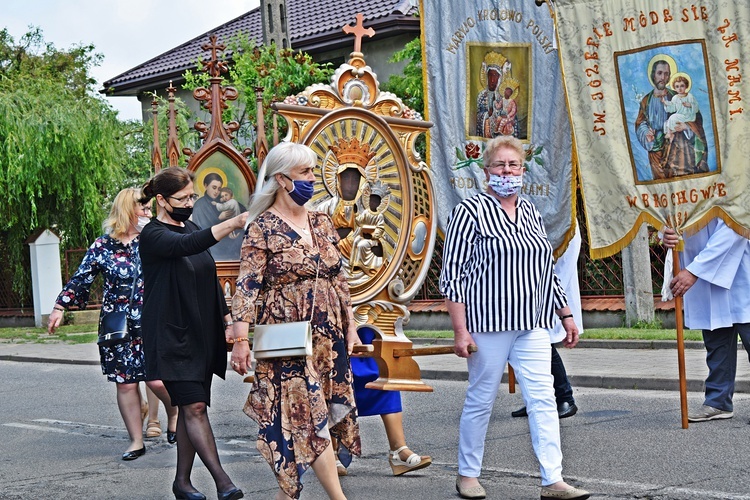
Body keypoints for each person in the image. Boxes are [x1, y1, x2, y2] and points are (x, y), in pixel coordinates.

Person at [440, 136, 589, 500]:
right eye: (500, 166)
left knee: (544, 398)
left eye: (514, 165)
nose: (507, 172)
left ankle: (553, 479)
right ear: (486, 171)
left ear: (523, 171)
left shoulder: (531, 211)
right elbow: (453, 275)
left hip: (532, 324)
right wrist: (460, 332)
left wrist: (565, 313)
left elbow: (546, 269)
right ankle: (468, 474)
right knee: (482, 399)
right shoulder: (469, 211)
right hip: (487, 324)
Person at [229, 142, 361, 500]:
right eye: (305, 172)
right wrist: (241, 341)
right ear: (282, 179)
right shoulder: (262, 226)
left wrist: (350, 325)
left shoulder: (320, 219)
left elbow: (339, 276)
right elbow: (247, 284)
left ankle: (286, 494)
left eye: (312, 171)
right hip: (285, 334)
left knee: (314, 414)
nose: (312, 179)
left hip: (328, 333)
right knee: (308, 413)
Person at [139, 167, 245, 500]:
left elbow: (208, 275)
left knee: (190, 408)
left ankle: (182, 482)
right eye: (182, 198)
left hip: (201, 333)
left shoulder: (192, 226)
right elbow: (188, 245)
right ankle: (222, 481)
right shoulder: (152, 234)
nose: (189, 203)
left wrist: (228, 319)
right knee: (195, 406)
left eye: (191, 197)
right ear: (161, 200)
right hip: (171, 336)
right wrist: (233, 222)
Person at [47, 187, 177, 460]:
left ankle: (174, 410)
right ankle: (136, 440)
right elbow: (82, 277)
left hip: (153, 320)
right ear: (127, 211)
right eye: (143, 209)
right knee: (125, 383)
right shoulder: (102, 246)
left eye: (149, 209)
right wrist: (60, 306)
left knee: (157, 380)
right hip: (118, 324)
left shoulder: (155, 239)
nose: (147, 213)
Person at [662, 221, 750, 422]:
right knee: (717, 343)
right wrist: (666, 235)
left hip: (740, 270)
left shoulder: (733, 188)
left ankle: (718, 401)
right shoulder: (682, 191)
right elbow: (672, 221)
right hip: (703, 275)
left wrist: (695, 270)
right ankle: (718, 403)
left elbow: (735, 227)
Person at [335, 326, 431, 477]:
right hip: (333, 318)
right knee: (336, 378)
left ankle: (399, 450)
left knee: (384, 372)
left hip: (371, 324)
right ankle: (332, 451)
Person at [512, 223, 583, 420]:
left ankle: (565, 398)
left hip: (545, 294)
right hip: (529, 293)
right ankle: (536, 399)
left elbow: (558, 270)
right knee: (527, 348)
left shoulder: (566, 224)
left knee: (543, 344)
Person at [634, 57, 708, 180]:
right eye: (659, 73)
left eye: (666, 74)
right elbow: (640, 122)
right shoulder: (646, 100)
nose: (663, 77)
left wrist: (686, 127)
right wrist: (646, 132)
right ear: (653, 75)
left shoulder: (678, 96)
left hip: (677, 150)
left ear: (669, 77)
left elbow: (696, 118)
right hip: (655, 151)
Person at [192, 172, 245, 261]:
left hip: (231, 246)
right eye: (214, 188)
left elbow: (243, 213)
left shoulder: (224, 200)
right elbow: (200, 230)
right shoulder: (199, 205)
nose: (216, 191)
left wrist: (235, 230)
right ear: (205, 185)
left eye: (219, 188)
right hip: (211, 248)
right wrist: (219, 218)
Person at [661, 74, 698, 142]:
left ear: (686, 86)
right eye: (677, 86)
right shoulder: (675, 98)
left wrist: (690, 105)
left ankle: (670, 133)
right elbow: (672, 107)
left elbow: (696, 108)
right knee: (667, 123)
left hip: (688, 116)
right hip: (680, 116)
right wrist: (665, 103)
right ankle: (671, 134)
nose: (680, 88)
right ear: (674, 88)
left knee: (673, 117)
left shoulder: (690, 96)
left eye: (682, 86)